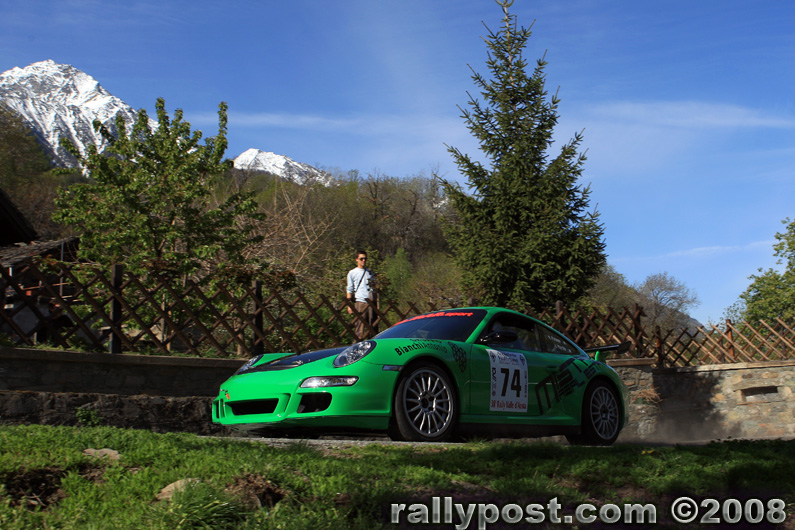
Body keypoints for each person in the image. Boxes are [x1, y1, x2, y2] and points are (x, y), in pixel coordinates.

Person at [346, 250, 374, 341]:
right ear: (356, 259)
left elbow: (374, 286)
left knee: (372, 327)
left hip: (371, 302)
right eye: (361, 259)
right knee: (359, 328)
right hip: (360, 301)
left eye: (365, 259)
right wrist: (349, 305)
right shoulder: (352, 273)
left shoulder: (370, 272)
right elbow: (349, 289)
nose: (363, 260)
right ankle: (358, 344)